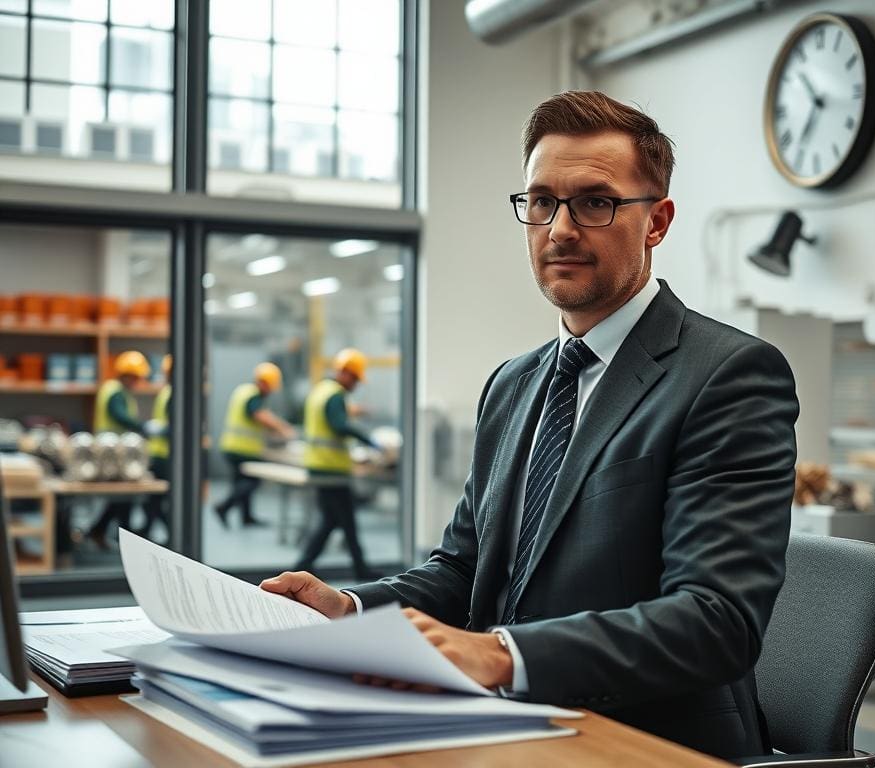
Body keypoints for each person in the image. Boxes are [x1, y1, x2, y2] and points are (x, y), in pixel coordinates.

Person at [261, 91, 799, 759]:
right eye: (542, 202)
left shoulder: (728, 375)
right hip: (503, 726)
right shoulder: (513, 384)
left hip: (643, 743)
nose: (560, 229)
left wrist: (500, 655)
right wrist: (348, 608)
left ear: (657, 222)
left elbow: (715, 622)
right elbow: (463, 569)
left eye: (595, 203)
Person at [293, 348, 381, 580]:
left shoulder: (321, 390)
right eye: (355, 379)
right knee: (347, 521)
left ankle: (303, 565)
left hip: (319, 463)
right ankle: (360, 569)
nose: (356, 385)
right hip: (330, 468)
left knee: (331, 520)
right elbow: (339, 425)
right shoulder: (335, 395)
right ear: (345, 373)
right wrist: (369, 440)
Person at [214, 362, 295, 528]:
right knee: (252, 481)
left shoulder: (244, 391)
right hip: (242, 449)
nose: (270, 391)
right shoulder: (253, 396)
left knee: (242, 481)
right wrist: (283, 428)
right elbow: (260, 416)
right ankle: (224, 507)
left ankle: (246, 517)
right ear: (265, 382)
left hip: (232, 445)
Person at [87, 350, 151, 549]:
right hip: (112, 453)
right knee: (123, 496)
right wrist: (143, 427)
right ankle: (122, 535)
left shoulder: (115, 390)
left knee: (122, 498)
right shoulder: (116, 393)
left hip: (115, 452)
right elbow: (120, 416)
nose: (137, 382)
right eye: (136, 378)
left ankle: (100, 531)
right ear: (128, 375)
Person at [140, 353, 172, 542]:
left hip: (159, 453)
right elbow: (175, 426)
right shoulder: (174, 393)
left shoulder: (166, 391)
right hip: (166, 455)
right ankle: (172, 533)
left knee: (155, 500)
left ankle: (146, 531)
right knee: (158, 499)